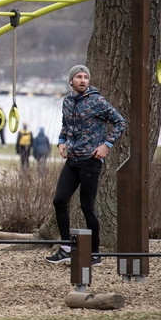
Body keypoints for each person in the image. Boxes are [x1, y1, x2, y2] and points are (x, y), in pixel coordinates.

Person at [45, 65, 127, 266]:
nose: (83, 80)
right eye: (79, 77)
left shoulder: (97, 101)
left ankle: (95, 254)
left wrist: (106, 145)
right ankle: (65, 248)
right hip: (72, 160)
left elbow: (120, 122)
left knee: (86, 207)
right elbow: (66, 125)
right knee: (59, 200)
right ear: (71, 80)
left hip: (90, 161)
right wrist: (61, 142)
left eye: (86, 77)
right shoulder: (67, 101)